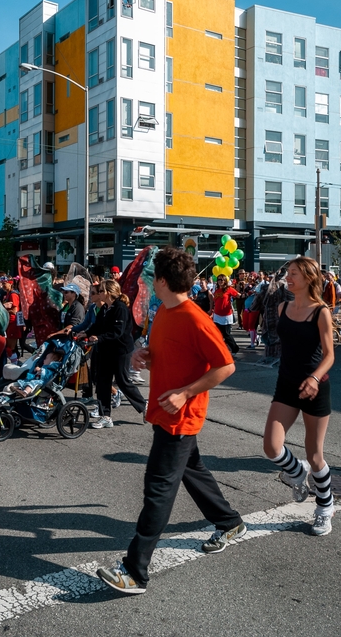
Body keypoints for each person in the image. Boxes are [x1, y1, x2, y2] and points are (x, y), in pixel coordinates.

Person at [97, 247, 246, 595]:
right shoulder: (164, 309)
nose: (147, 280)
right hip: (164, 411)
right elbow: (168, 353)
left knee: (158, 490)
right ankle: (229, 521)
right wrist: (143, 356)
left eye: (152, 275)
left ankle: (135, 572)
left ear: (163, 280)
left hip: (181, 417)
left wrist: (185, 392)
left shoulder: (195, 317)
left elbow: (226, 365)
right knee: (192, 471)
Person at [263, 257, 335, 537]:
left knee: (315, 455)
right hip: (286, 384)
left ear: (308, 278)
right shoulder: (283, 307)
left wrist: (314, 378)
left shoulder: (321, 312)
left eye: (293, 274)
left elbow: (329, 355)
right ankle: (296, 472)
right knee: (271, 446)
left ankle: (324, 509)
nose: (288, 278)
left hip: (315, 385)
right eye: (288, 273)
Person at [84, 279, 146, 429]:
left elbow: (117, 332)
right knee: (102, 381)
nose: (98, 294)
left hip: (121, 350)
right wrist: (84, 333)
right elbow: (97, 326)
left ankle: (144, 405)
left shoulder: (120, 308)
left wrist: (99, 338)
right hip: (106, 349)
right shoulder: (105, 308)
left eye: (100, 291)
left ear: (108, 292)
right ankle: (105, 416)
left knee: (122, 381)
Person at [210, 274, 240, 354]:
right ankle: (221, 349)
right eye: (218, 280)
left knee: (226, 334)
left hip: (226, 315)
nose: (220, 281)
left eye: (221, 280)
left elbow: (238, 295)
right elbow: (214, 301)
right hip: (217, 314)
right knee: (217, 334)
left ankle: (235, 348)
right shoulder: (216, 290)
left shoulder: (229, 289)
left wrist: (243, 294)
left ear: (225, 281)